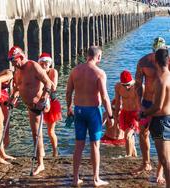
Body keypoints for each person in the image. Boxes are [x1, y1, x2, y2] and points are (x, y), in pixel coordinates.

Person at [66, 46, 113, 187]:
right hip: (93, 112)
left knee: (78, 145)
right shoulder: (99, 73)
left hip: (79, 110)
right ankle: (96, 179)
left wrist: (69, 108)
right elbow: (104, 97)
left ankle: (75, 179)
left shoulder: (75, 71)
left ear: (87, 55)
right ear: (98, 57)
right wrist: (110, 115)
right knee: (95, 145)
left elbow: (68, 92)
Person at [8, 46, 54, 176]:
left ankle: (40, 164)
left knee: (36, 135)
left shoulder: (33, 66)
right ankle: (42, 154)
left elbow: (48, 83)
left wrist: (44, 98)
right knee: (36, 134)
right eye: (11, 61)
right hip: (29, 106)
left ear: (21, 57)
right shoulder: (17, 70)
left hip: (39, 105)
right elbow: (18, 87)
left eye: (14, 60)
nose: (13, 63)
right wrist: (13, 98)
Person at [133, 37, 165, 184]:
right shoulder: (143, 62)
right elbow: (138, 84)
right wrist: (139, 104)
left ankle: (160, 171)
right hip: (146, 102)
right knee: (143, 133)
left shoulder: (168, 62)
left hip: (163, 104)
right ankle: (146, 163)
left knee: (163, 138)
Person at [140, 48, 170, 188]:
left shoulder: (160, 80)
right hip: (168, 118)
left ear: (156, 62)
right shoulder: (169, 75)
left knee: (165, 160)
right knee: (166, 158)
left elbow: (157, 106)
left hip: (161, 121)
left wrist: (144, 112)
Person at [38, 52, 62, 157]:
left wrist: (44, 75)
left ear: (50, 63)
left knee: (50, 131)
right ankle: (41, 152)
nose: (45, 64)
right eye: (42, 63)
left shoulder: (53, 72)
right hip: (40, 101)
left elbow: (53, 87)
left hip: (52, 103)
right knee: (38, 130)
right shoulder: (37, 72)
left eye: (47, 62)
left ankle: (55, 152)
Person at [114, 70, 140, 157]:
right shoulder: (118, 87)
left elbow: (142, 104)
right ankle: (134, 157)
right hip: (124, 114)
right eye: (124, 85)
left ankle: (127, 157)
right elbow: (117, 103)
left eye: (128, 84)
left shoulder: (138, 87)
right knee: (130, 138)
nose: (126, 87)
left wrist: (141, 118)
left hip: (135, 114)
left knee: (128, 136)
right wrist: (115, 116)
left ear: (132, 81)